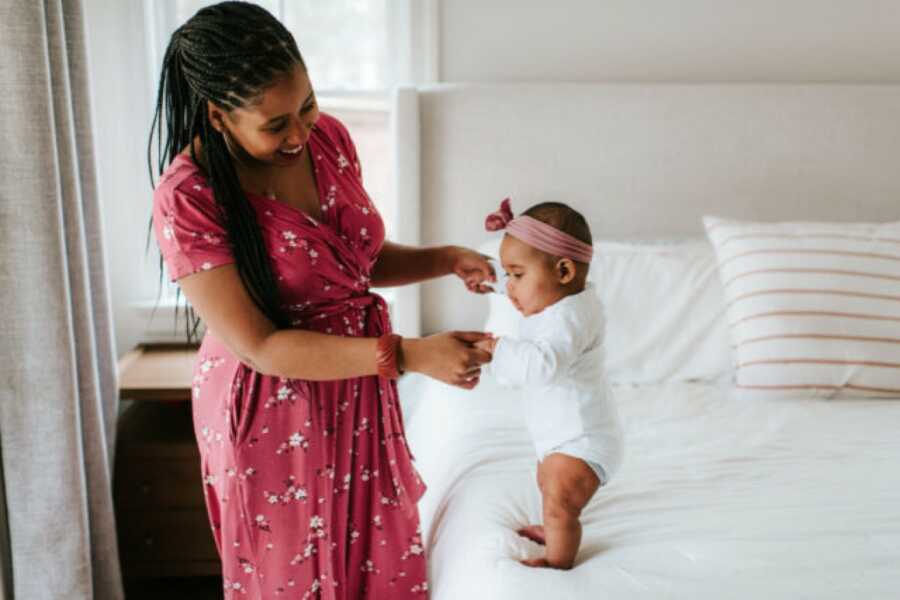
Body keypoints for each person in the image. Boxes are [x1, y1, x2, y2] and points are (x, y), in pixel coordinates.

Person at [148, 2, 494, 596]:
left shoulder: (328, 138)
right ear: (218, 116)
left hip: (359, 383)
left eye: (307, 104)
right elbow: (259, 345)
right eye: (275, 123)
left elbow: (346, 265)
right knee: (294, 579)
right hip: (268, 405)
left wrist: (443, 258)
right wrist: (409, 355)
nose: (300, 132)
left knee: (377, 562)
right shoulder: (189, 196)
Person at [476, 198, 623, 570]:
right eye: (508, 275)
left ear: (563, 271)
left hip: (582, 440)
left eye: (517, 275)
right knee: (546, 482)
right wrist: (493, 282)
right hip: (566, 437)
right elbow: (531, 286)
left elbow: (543, 365)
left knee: (560, 500)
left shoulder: (570, 317)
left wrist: (496, 348)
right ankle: (553, 527)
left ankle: (558, 562)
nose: (511, 288)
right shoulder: (560, 302)